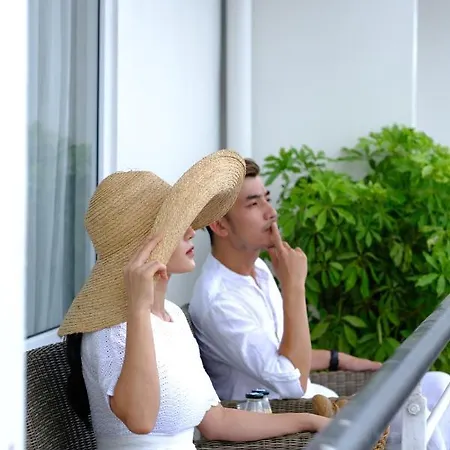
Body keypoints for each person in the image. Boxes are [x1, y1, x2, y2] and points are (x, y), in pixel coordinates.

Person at [59, 151, 330, 450]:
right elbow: (141, 419)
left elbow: (217, 421)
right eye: (175, 226)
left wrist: (310, 421)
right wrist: (137, 309)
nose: (191, 231)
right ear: (142, 247)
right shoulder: (112, 330)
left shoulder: (172, 316)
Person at [189, 157, 450, 449]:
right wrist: (294, 286)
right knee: (417, 411)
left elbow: (285, 351)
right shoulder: (219, 300)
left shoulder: (259, 270)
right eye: (253, 204)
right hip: (286, 418)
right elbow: (293, 382)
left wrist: (345, 360)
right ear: (220, 225)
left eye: (267, 199)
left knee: (438, 384)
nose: (271, 213)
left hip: (321, 401)